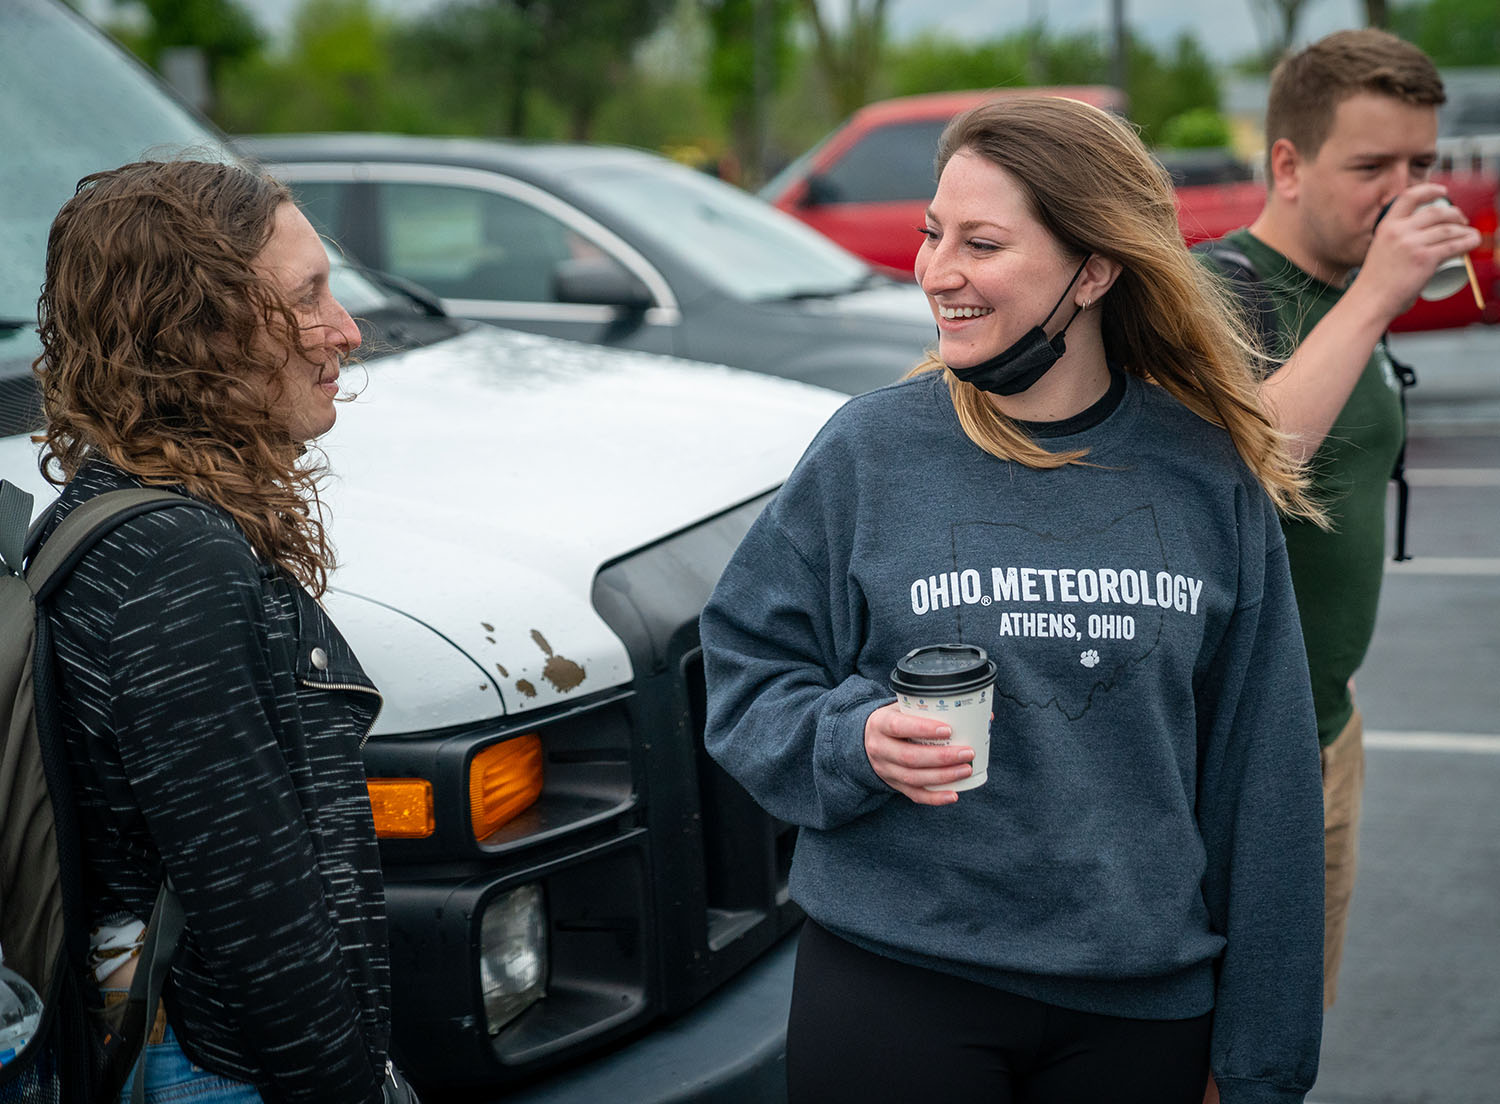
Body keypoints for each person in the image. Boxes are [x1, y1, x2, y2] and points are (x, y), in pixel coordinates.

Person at [700, 96, 1327, 1103]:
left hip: (1136, 1005)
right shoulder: (870, 451)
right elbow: (744, 681)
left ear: (1093, 269)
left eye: (982, 243)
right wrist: (854, 741)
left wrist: (1260, 1060)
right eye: (932, 234)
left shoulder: (1205, 476)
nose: (937, 271)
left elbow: (1269, 783)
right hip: (899, 984)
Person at [32, 159, 406, 1100]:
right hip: (218, 1069)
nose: (347, 332)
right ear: (192, 328)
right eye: (308, 297)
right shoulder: (176, 566)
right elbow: (261, 925)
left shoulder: (103, 516)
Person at [1200, 29, 1480, 1010]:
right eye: (1372, 167)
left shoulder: (1348, 285)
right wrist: (1373, 296)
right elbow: (1247, 472)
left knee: (1284, 1050)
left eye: (1421, 165)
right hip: (1224, 768)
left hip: (1328, 733)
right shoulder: (1214, 293)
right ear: (1287, 163)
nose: (1404, 192)